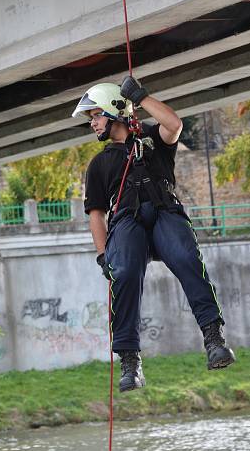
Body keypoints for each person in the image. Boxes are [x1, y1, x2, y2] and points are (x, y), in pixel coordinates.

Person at [73, 76, 235, 392]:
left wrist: (141, 97)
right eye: (91, 118)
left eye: (96, 115)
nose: (92, 123)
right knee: (126, 272)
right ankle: (130, 361)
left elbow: (173, 124)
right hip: (126, 223)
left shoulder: (150, 138)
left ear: (114, 109)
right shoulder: (99, 165)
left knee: (185, 256)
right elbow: (96, 214)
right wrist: (103, 254)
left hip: (163, 212)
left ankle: (213, 338)